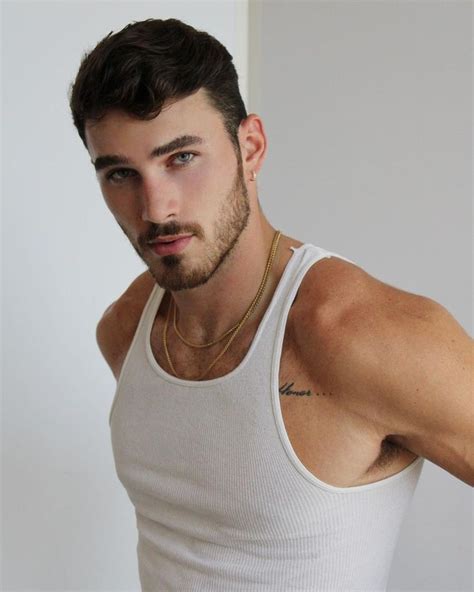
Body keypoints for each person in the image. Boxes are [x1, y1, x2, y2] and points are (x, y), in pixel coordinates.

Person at [68, 17, 473, 591]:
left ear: (250, 147)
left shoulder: (356, 334)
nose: (155, 208)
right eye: (120, 174)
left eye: (181, 158)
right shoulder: (127, 329)